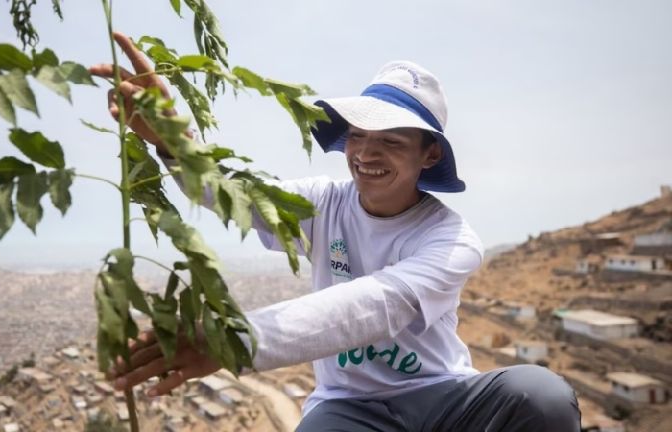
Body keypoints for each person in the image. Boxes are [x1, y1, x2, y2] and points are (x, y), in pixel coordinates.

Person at [90, 32, 581, 431]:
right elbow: (234, 195)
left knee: (541, 397)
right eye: (357, 136)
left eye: (390, 141)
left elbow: (378, 305)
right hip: (349, 406)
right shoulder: (322, 203)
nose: (365, 154)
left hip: (441, 397)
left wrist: (233, 340)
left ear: (429, 154)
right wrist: (175, 142)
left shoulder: (449, 238)